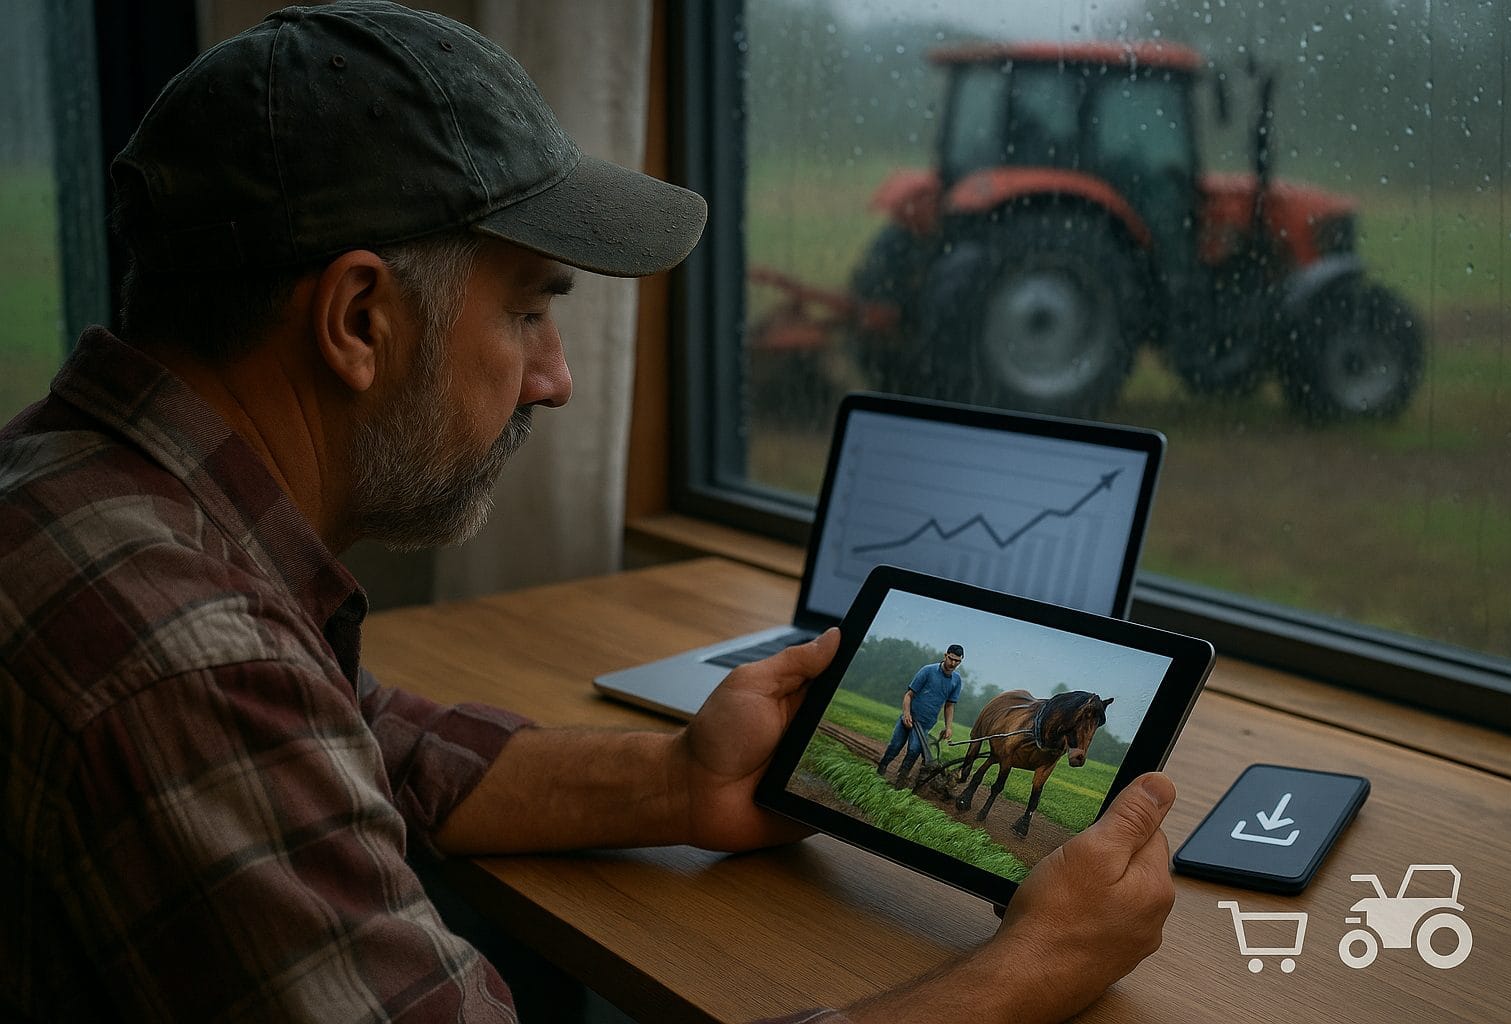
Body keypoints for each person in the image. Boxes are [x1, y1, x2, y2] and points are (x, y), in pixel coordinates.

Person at [0, 3, 1177, 1022]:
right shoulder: (184, 661)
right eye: (528, 312)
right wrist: (1025, 971)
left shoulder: (84, 495)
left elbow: (357, 742)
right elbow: (253, 714)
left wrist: (680, 783)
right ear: (359, 319)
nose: (555, 377)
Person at [878, 644, 964, 785]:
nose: (953, 663)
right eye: (951, 659)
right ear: (945, 655)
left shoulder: (956, 680)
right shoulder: (928, 671)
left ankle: (900, 780)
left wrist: (949, 727)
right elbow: (908, 695)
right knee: (895, 745)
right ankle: (881, 768)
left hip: (925, 724)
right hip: (909, 717)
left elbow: (949, 705)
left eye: (957, 661)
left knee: (914, 750)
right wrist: (906, 714)